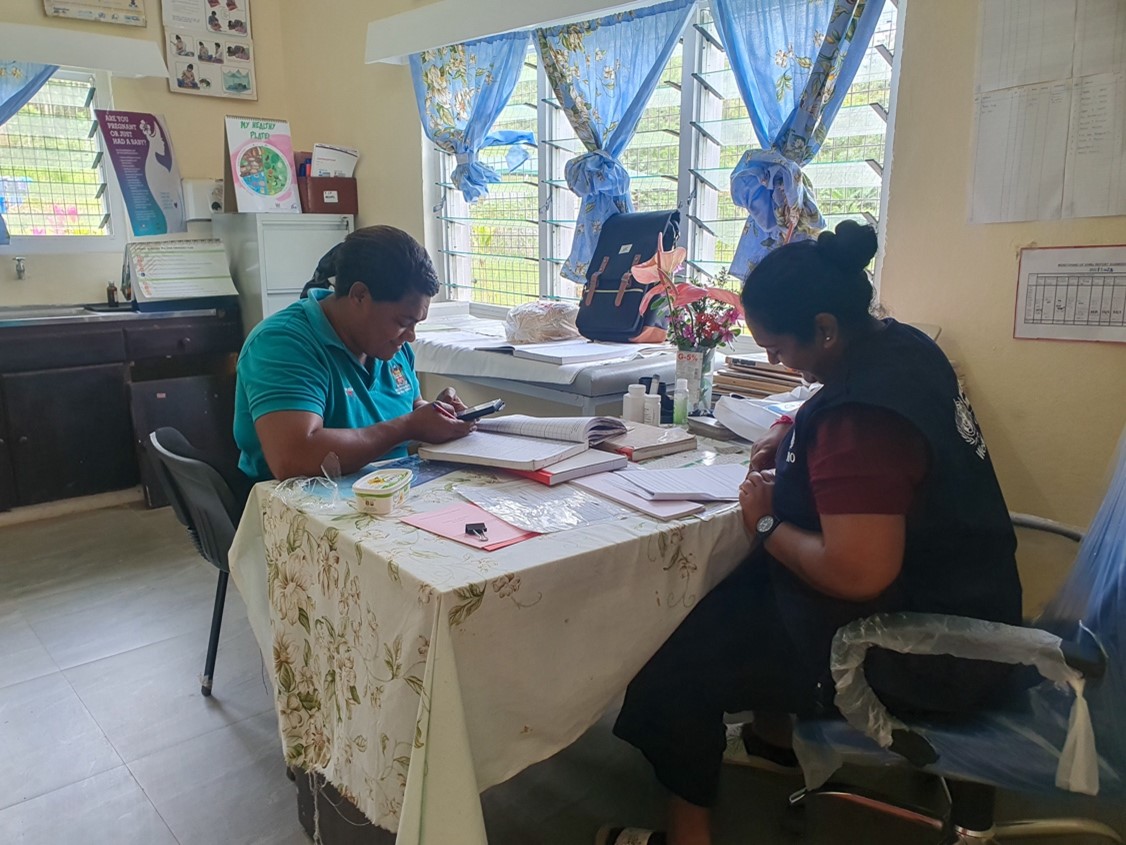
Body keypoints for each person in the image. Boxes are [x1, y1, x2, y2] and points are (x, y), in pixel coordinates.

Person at [601, 221, 1022, 845]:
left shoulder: (862, 425)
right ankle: (774, 743)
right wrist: (795, 428)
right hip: (974, 608)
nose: (776, 362)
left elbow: (857, 572)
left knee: (674, 659)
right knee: (736, 599)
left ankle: (688, 836)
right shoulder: (903, 344)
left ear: (824, 329)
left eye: (778, 349)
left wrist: (766, 522)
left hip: (918, 654)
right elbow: (854, 407)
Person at [233, 226, 475, 482]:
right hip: (305, 501)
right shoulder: (283, 343)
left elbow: (409, 408)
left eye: (416, 323)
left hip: (392, 490)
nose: (411, 336)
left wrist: (439, 415)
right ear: (360, 296)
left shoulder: (390, 345)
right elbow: (295, 457)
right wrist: (408, 427)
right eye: (404, 322)